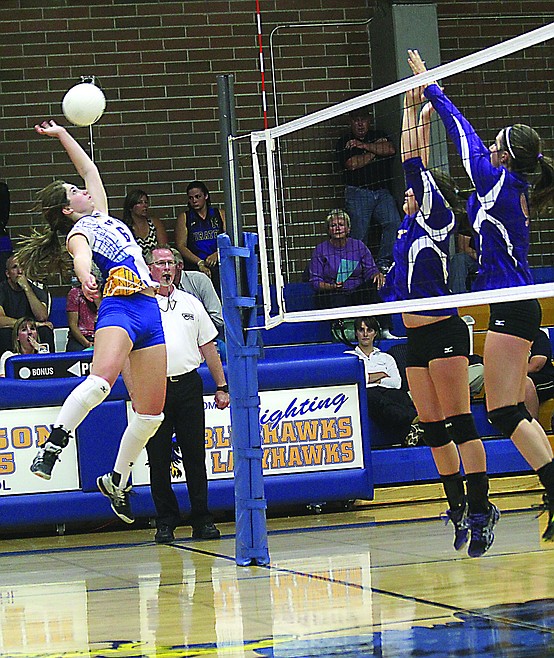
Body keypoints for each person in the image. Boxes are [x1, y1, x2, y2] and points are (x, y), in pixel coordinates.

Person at [408, 48, 554, 542]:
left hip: (514, 304)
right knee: (507, 410)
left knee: (502, 410)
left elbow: (462, 134)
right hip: (512, 302)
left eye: (496, 145)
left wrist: (433, 87)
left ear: (506, 156)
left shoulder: (497, 181)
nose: (487, 148)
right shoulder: (506, 187)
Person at [19, 119, 167, 525]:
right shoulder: (80, 232)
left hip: (148, 310)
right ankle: (53, 445)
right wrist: (85, 276)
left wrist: (62, 134)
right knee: (101, 382)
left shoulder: (100, 212)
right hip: (119, 307)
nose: (83, 190)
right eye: (74, 192)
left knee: (151, 416)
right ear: (69, 210)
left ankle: (117, 480)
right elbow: (81, 257)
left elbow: (89, 169)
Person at [382, 82, 497, 557]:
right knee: (432, 427)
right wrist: (413, 111)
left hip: (446, 332)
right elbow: (411, 163)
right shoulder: (407, 227)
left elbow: (414, 162)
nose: (409, 192)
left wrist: (416, 112)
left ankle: (481, 508)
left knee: (459, 422)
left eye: (416, 190)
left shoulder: (437, 219)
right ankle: (456, 507)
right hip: (415, 340)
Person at [145, 246, 230, 543]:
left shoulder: (191, 303)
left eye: (171, 263)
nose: (167, 268)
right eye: (161, 263)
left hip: (188, 386)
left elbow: (208, 346)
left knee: (195, 455)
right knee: (158, 458)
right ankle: (165, 521)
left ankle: (202, 518)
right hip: (154, 388)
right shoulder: (141, 305)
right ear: (149, 269)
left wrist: (221, 386)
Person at [309, 209, 396, 337]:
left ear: (348, 229)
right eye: (333, 225)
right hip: (333, 292)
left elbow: (370, 269)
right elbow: (315, 281)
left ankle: (385, 330)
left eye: (341, 225)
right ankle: (339, 331)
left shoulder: (358, 246)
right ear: (328, 230)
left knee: (375, 287)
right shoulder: (320, 250)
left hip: (356, 291)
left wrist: (376, 274)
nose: (337, 228)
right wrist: (331, 286)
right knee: (324, 297)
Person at [336, 107, 401, 271]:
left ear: (369, 120)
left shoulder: (379, 134)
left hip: (382, 191)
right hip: (358, 192)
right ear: (351, 122)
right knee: (359, 233)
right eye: (356, 120)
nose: (360, 124)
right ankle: (356, 271)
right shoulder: (344, 141)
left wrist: (363, 146)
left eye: (363, 120)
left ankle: (384, 264)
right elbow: (353, 164)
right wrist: (375, 150)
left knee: (394, 223)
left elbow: (390, 149)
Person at [345, 316, 421, 447]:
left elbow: (396, 383)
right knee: (379, 401)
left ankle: (410, 432)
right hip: (366, 392)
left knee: (400, 397)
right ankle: (414, 421)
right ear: (356, 333)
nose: (365, 334)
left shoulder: (387, 358)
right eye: (361, 330)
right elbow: (356, 380)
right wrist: (382, 375)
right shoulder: (349, 357)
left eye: (369, 330)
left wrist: (375, 380)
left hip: (388, 391)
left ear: (375, 333)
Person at [175, 181, 226, 294]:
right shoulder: (185, 217)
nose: (194, 200)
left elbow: (230, 239)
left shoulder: (219, 214)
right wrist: (199, 262)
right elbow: (181, 246)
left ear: (206, 196)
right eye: (191, 198)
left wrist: (217, 253)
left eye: (198, 196)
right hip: (196, 266)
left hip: (220, 265)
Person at [0, 254, 54, 355]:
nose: (20, 271)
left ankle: (48, 362)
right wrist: (28, 325)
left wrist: (26, 288)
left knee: (45, 330)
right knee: (4, 333)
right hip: (12, 330)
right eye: (15, 267)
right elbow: (1, 319)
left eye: (22, 267)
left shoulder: (37, 290)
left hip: (31, 331)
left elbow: (42, 316)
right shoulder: (2, 290)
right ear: (8, 274)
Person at [122, 188, 168, 257]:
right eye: (140, 202)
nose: (144, 205)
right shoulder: (124, 228)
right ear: (130, 207)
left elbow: (164, 248)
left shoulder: (155, 223)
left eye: (146, 202)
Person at [65, 273, 100, 351]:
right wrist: (87, 343)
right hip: (81, 339)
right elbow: (73, 325)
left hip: (103, 338)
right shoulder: (75, 293)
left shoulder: (108, 294)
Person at [524, 329, 554, 420]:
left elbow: (535, 366)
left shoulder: (537, 335)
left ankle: (532, 424)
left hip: (545, 378)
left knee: (525, 383)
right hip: (514, 379)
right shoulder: (504, 338)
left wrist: (510, 372)